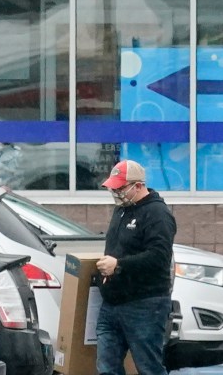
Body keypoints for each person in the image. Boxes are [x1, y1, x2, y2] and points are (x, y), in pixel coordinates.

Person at [93, 159, 175, 375]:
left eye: (120, 188)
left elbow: (159, 257)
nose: (116, 193)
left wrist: (118, 265)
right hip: (112, 304)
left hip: (144, 305)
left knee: (149, 367)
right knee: (106, 367)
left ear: (138, 185)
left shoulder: (157, 213)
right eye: (113, 188)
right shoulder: (121, 210)